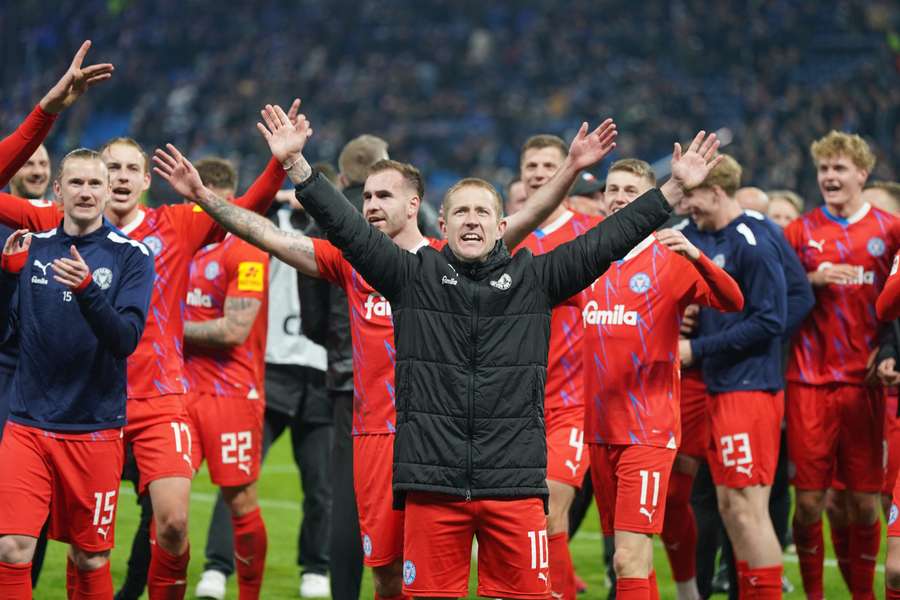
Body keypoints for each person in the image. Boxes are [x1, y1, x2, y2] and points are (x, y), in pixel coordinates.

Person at [170, 103, 719, 598]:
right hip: (432, 481)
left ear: (503, 227)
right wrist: (295, 168)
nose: (473, 221)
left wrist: (671, 191)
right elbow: (343, 228)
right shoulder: (411, 277)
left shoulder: (537, 278)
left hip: (512, 484)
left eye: (484, 213)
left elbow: (609, 239)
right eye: (462, 212)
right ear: (444, 223)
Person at [0, 100, 292, 597]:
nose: (116, 177)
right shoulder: (58, 218)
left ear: (144, 182)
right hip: (85, 402)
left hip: (158, 400)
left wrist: (279, 163)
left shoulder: (176, 224)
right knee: (81, 546)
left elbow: (245, 213)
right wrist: (45, 111)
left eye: (129, 169)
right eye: (108, 167)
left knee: (174, 525)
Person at [582, 157, 744, 600]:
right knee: (633, 555)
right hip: (598, 430)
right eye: (612, 189)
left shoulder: (669, 258)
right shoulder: (585, 258)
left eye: (630, 191)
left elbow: (732, 301)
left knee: (627, 559)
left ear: (653, 202)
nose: (617, 198)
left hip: (646, 430)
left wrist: (698, 256)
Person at [0, 148, 154, 599]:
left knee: (89, 557)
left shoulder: (132, 256)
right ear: (57, 190)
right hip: (28, 426)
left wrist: (88, 289)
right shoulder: (33, 248)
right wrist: (6, 280)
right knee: (12, 548)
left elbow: (125, 338)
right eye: (76, 183)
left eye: (94, 184)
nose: (85, 192)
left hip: (94, 430)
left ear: (108, 191)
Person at [195, 159, 332, 600]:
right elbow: (240, 218)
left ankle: (316, 567)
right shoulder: (264, 224)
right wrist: (279, 200)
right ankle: (218, 566)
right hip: (270, 367)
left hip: (320, 370)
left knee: (321, 485)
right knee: (237, 477)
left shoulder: (341, 235)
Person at [784, 131, 899, 600]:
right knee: (810, 502)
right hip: (809, 381)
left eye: (839, 169)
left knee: (864, 504)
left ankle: (862, 595)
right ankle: (814, 595)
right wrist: (811, 279)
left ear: (861, 174)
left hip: (867, 383)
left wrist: (892, 351)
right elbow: (779, 303)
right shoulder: (799, 232)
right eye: (824, 169)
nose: (830, 177)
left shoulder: (890, 230)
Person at [680, 154, 790, 598]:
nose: (687, 205)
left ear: (717, 192)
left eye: (692, 196)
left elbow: (771, 320)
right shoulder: (698, 236)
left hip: (749, 388)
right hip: (718, 386)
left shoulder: (754, 241)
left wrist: (696, 347)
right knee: (729, 506)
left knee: (748, 509)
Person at [515, 133, 603, 600]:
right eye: (530, 165)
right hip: (512, 404)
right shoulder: (505, 235)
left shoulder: (588, 235)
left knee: (549, 510)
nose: (538, 173)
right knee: (523, 519)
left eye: (549, 165)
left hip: (571, 403)